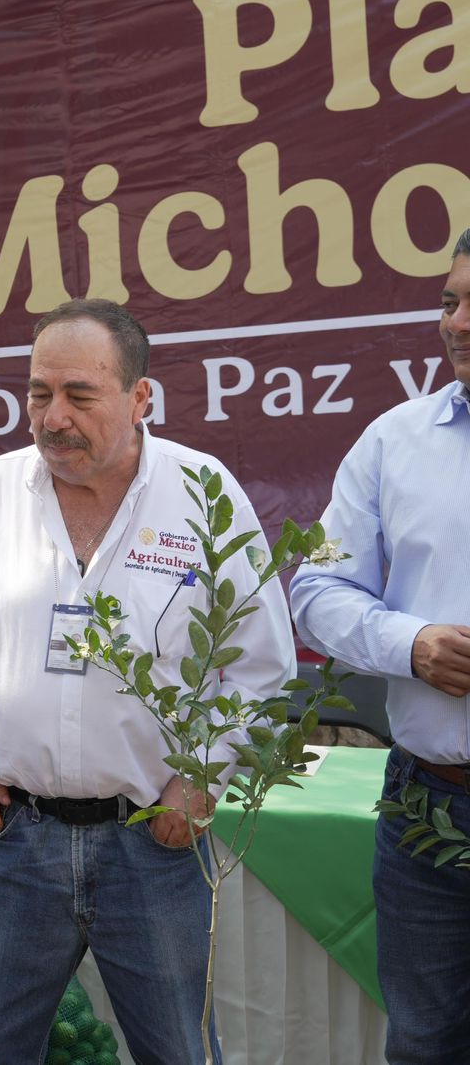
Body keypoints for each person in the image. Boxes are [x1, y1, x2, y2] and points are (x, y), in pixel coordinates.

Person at [0, 299, 294, 1064]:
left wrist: (204, 777)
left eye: (80, 396)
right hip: (14, 841)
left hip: (150, 842)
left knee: (180, 1054)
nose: (54, 418)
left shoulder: (201, 496)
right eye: (38, 393)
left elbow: (262, 669)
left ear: (140, 398)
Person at [289, 229, 470, 1065]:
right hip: (426, 805)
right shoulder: (392, 442)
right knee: (424, 1044)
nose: (457, 323)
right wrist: (412, 643)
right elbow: (315, 591)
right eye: (448, 301)